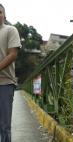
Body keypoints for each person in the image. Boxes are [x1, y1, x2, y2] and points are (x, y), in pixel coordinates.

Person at [0, 4, 21, 142]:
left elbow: (12, 54)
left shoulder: (10, 30)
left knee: (4, 126)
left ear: (4, 15)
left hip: (5, 83)